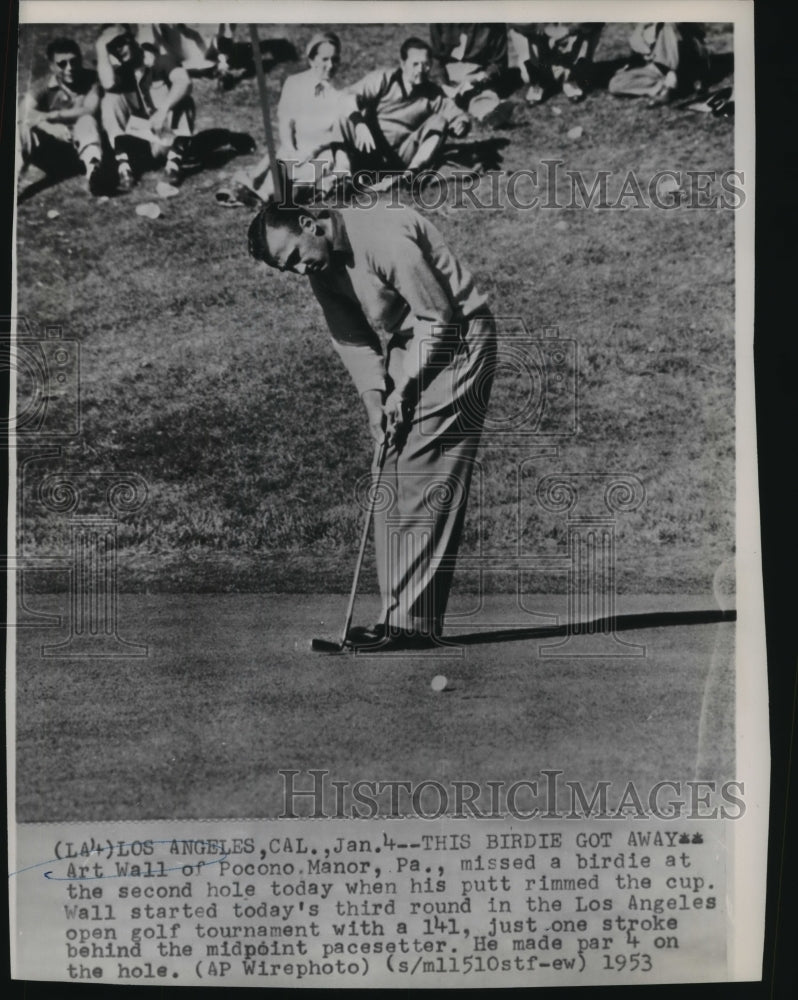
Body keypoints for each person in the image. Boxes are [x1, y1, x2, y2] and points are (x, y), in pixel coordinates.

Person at [247, 200, 496, 650]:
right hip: (412, 342)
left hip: (457, 339)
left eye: (296, 256)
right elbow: (351, 337)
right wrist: (374, 402)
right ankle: (395, 615)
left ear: (310, 224)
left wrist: (404, 386)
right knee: (388, 472)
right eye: (288, 268)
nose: (299, 270)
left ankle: (410, 624)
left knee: (421, 475)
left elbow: (438, 316)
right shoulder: (320, 267)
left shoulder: (381, 237)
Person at [219, 31, 354, 204]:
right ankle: (258, 187)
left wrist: (312, 153)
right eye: (325, 59)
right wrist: (291, 149)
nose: (330, 65)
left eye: (335, 59)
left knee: (321, 163)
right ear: (312, 60)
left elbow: (338, 138)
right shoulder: (294, 84)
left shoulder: (340, 93)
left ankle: (262, 193)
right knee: (280, 154)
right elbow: (285, 123)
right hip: (295, 147)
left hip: (322, 152)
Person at [346, 37, 471, 187]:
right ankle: (343, 176)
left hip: (402, 156)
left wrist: (462, 124)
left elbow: (457, 115)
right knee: (344, 117)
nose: (420, 70)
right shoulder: (384, 79)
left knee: (439, 121)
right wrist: (360, 125)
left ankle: (411, 174)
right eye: (415, 64)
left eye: (425, 65)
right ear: (403, 64)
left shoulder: (433, 93)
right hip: (369, 149)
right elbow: (347, 96)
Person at [96, 23, 195, 191]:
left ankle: (173, 164)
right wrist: (100, 48)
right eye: (112, 47)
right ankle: (124, 167)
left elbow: (184, 81)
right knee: (110, 99)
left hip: (166, 137)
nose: (118, 49)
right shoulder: (120, 72)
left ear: (132, 39)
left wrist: (163, 110)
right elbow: (107, 84)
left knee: (184, 100)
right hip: (140, 143)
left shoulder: (160, 60)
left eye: (121, 42)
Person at [17, 37, 103, 195]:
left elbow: (89, 109)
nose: (69, 68)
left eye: (74, 61)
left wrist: (51, 116)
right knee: (20, 129)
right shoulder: (43, 84)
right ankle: (12, 182)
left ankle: (94, 175)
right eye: (62, 64)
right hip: (55, 151)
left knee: (87, 120)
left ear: (80, 60)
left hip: (85, 146)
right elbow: (21, 111)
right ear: (51, 66)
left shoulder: (92, 79)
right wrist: (47, 126)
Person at [429, 23, 515, 126]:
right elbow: (436, 58)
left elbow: (499, 63)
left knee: (482, 94)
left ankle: (490, 112)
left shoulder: (494, 24)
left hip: (478, 75)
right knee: (442, 98)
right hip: (449, 74)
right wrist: (443, 85)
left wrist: (484, 76)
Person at [608, 23, 709, 103]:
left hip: (683, 62)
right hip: (654, 67)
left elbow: (696, 31)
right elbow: (637, 44)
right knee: (615, 83)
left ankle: (672, 79)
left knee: (669, 26)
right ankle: (662, 87)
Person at [508, 23, 604, 104]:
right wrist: (537, 25)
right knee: (527, 75)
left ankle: (571, 78)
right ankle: (537, 81)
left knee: (589, 26)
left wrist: (573, 27)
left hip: (568, 28)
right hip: (537, 31)